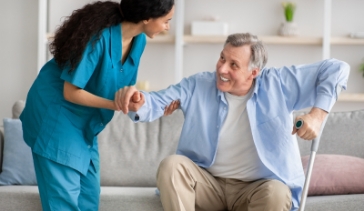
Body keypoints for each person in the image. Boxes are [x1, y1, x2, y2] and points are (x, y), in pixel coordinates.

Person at [115, 33, 350, 211]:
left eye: (233, 65)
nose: (222, 68)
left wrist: (317, 116)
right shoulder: (198, 85)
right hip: (208, 185)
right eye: (222, 58)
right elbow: (156, 101)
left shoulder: (279, 84)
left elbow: (337, 69)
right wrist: (139, 102)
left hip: (257, 188)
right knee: (172, 166)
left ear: (254, 72)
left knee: (277, 193)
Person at [19, 0, 175, 210]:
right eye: (167, 21)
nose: (168, 27)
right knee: (64, 203)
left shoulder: (139, 41)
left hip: (86, 123)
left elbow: (121, 85)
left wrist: (134, 98)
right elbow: (70, 91)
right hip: (56, 115)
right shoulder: (99, 38)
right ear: (147, 18)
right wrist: (116, 104)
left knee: (89, 199)